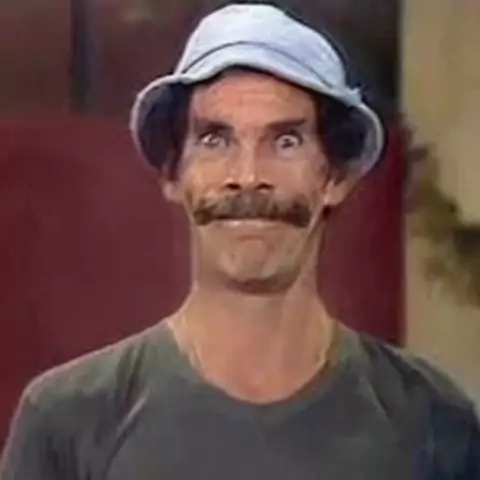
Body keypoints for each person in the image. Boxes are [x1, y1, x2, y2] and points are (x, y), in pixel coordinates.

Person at [1, 3, 479, 479]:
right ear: (173, 174)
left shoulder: (432, 421)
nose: (248, 176)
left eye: (285, 141)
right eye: (215, 140)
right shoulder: (68, 422)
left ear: (334, 177)